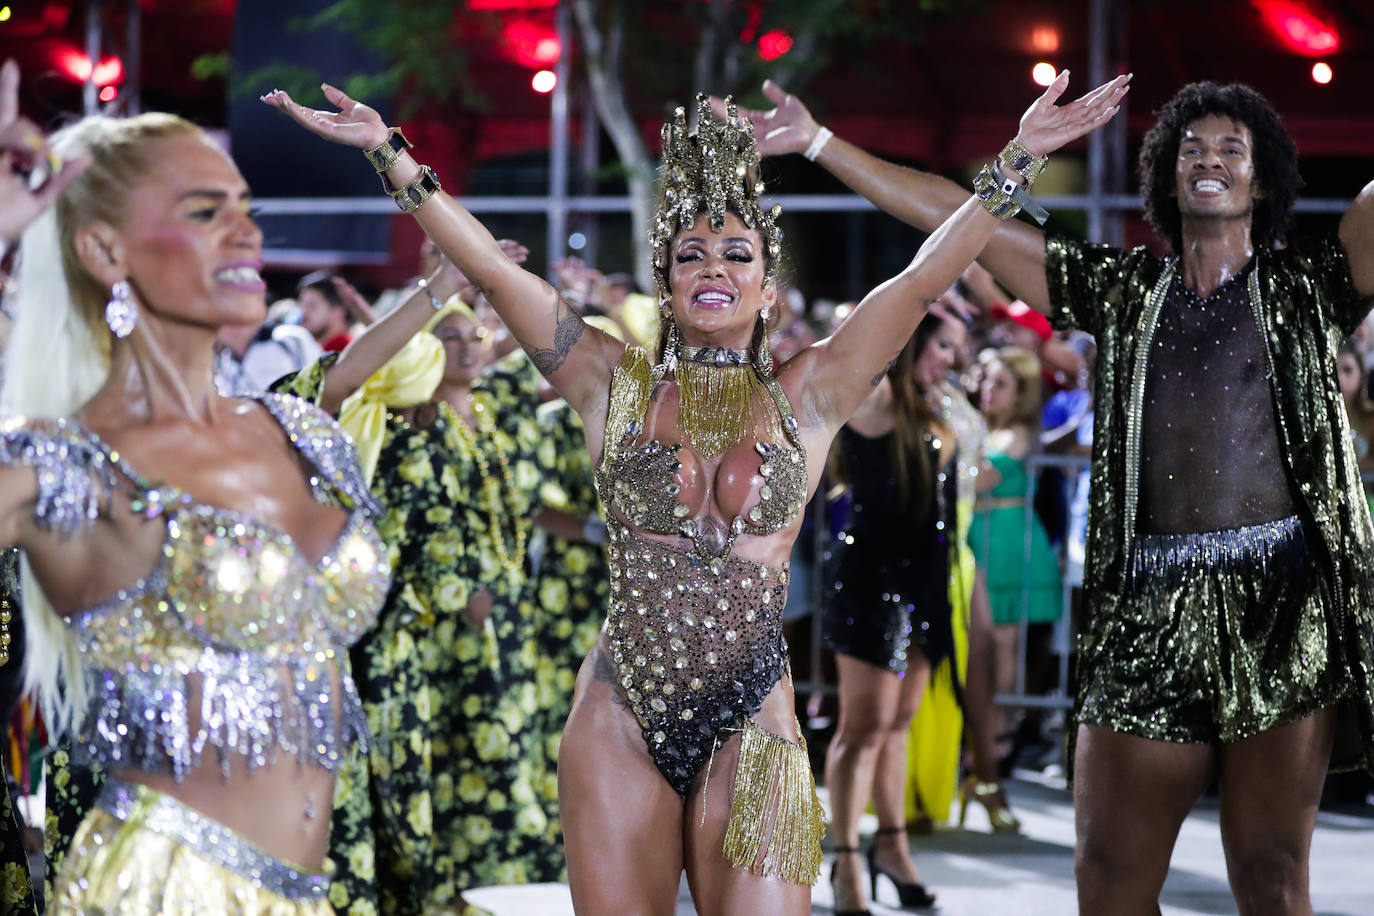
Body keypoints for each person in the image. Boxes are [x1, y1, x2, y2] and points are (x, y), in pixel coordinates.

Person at [264, 71, 1125, 913]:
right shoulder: (609, 380)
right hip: (618, 712)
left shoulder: (811, 392)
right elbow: (492, 271)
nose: (713, 266)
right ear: (666, 279)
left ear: (767, 283)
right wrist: (392, 156)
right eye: (690, 254)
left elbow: (921, 281)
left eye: (736, 253)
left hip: (755, 710)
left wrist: (1017, 161)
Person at [742, 77, 1374, 914]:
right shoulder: (1121, 290)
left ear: (1263, 180)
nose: (1209, 160)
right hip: (1143, 610)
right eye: (1191, 148)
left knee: (1271, 878)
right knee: (1107, 881)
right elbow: (952, 219)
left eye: (1231, 149)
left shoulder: (1308, 288)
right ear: (1166, 175)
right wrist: (820, 143)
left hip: (1282, 609)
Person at [0, 97, 389, 914]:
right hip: (162, 887)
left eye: (246, 208)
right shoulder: (68, 465)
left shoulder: (304, 432)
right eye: (206, 212)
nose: (246, 231)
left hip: (315, 889)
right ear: (106, 248)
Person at [275, 254, 554, 911]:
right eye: (440, 347)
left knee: (396, 796)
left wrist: (451, 292)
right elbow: (344, 378)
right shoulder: (355, 431)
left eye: (470, 338)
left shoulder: (381, 429)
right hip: (379, 644)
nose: (457, 353)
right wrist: (436, 291)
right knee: (372, 801)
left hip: (394, 643)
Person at [819, 312, 963, 912]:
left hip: (925, 582)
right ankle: (846, 858)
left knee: (897, 725)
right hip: (868, 581)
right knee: (863, 729)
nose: (949, 359)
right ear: (910, 349)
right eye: (941, 347)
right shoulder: (873, 397)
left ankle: (893, 848)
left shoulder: (933, 410)